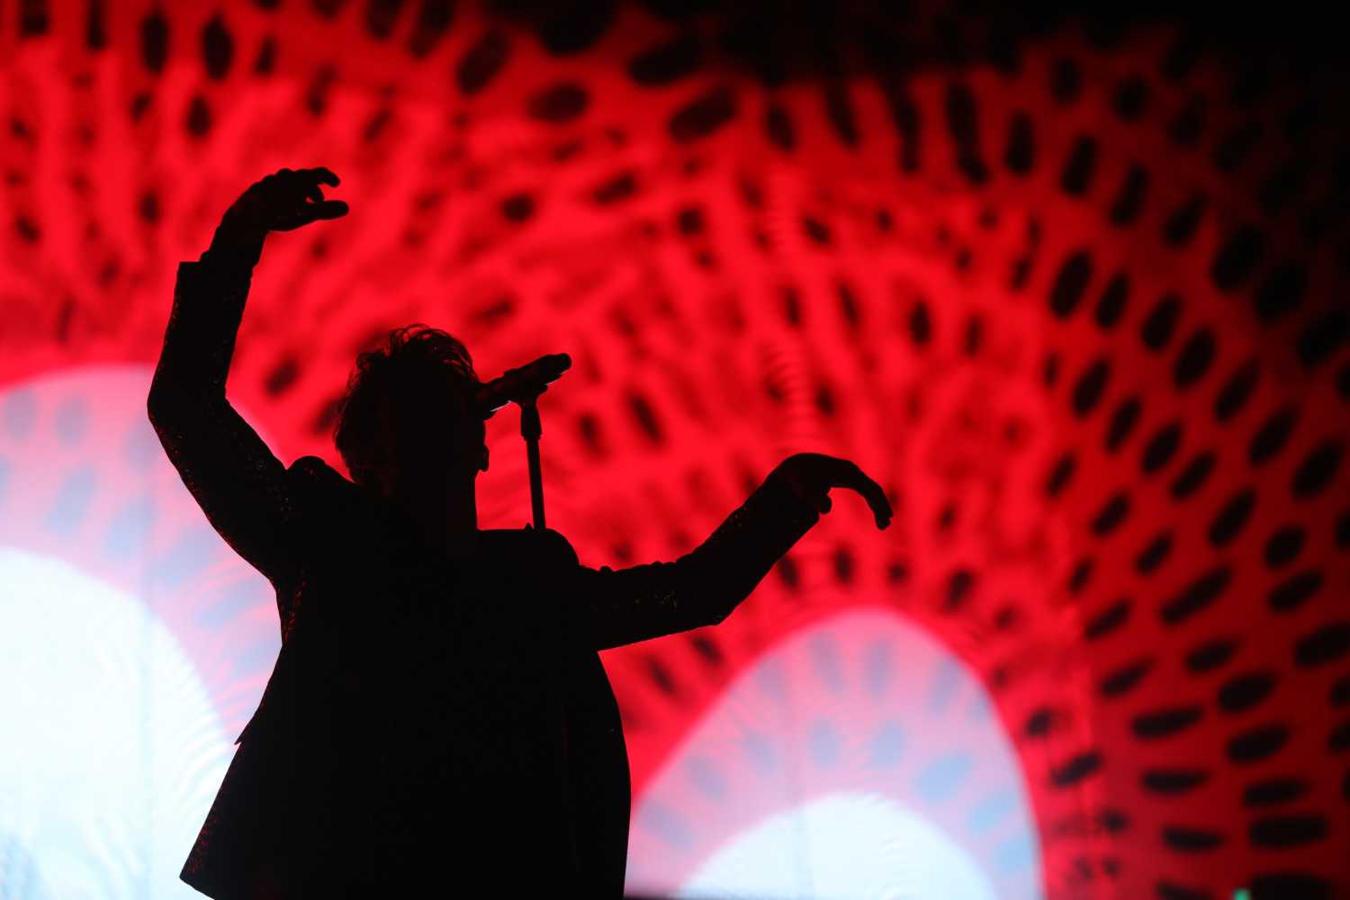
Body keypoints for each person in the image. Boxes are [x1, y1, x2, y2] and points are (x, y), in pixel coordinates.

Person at [148, 167, 893, 898]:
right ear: (369, 453)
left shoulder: (528, 579)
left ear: (478, 443)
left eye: (452, 411)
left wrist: (787, 498)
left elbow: (688, 595)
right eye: (418, 414)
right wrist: (238, 241)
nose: (443, 429)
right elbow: (187, 408)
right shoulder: (329, 539)